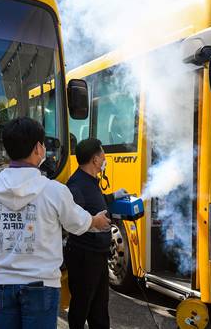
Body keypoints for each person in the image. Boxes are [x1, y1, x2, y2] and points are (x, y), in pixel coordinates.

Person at [0, 117, 111, 329]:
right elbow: (77, 222)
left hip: (2, 285)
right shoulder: (53, 190)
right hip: (42, 286)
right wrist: (97, 221)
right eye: (43, 144)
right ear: (38, 148)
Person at [66, 138, 129, 329]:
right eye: (102, 154)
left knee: (100, 307)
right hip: (84, 256)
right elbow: (73, 220)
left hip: (97, 254)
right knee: (81, 306)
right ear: (95, 159)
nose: (105, 158)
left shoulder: (91, 181)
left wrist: (113, 196)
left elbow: (96, 201)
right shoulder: (75, 185)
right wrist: (95, 222)